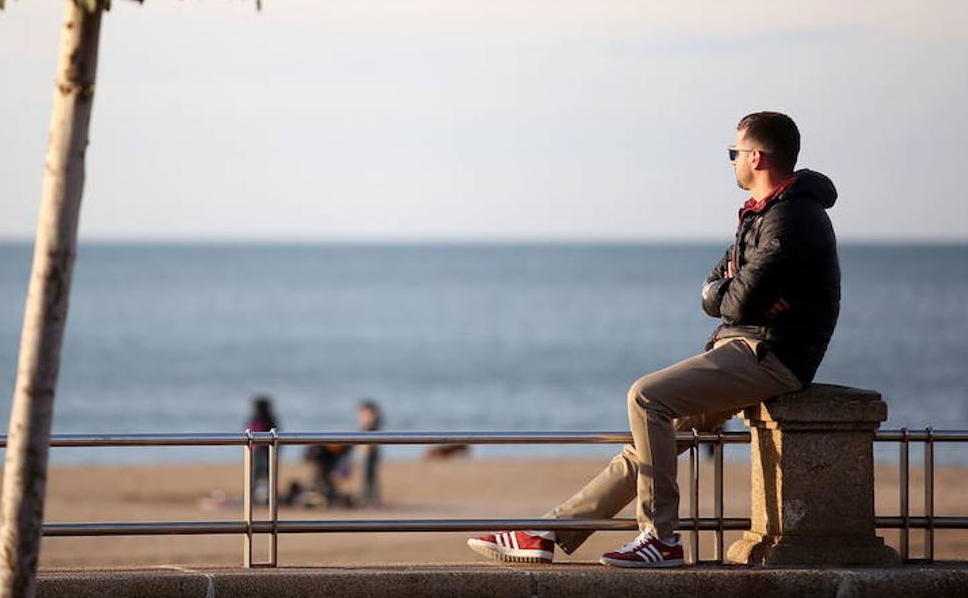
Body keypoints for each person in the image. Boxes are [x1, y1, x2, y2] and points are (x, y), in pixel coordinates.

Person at [468, 111, 840, 568]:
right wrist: (732, 292)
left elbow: (739, 300)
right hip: (743, 345)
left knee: (647, 398)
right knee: (645, 442)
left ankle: (660, 537)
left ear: (758, 158)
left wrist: (735, 293)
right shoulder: (760, 214)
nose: (731, 163)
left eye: (734, 153)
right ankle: (547, 532)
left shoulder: (792, 219)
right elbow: (713, 291)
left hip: (771, 355)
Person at [246, 396, 278, 505]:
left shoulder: (256, 418)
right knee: (268, 476)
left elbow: (248, 433)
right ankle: (268, 498)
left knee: (256, 475)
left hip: (257, 451)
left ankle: (253, 498)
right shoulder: (269, 418)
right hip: (267, 451)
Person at [357, 400, 383, 506]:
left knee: (370, 476)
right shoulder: (368, 424)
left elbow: (370, 441)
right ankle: (368, 498)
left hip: (370, 451)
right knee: (367, 476)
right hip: (366, 451)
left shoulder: (372, 424)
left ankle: (371, 498)